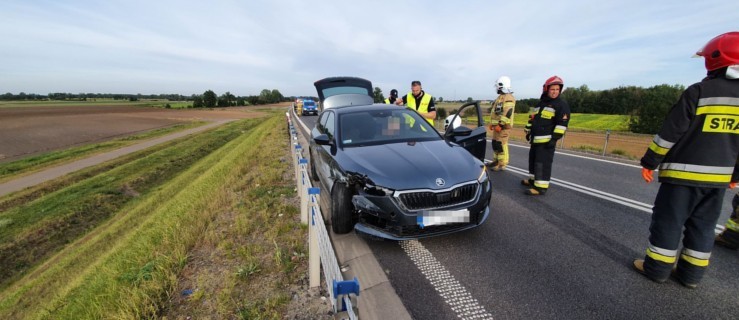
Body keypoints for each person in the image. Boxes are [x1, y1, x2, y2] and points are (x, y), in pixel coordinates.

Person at [632, 31, 739, 289]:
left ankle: (657, 268)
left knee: (669, 221)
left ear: (715, 59)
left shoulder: (699, 91)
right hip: (718, 181)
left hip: (682, 176)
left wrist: (650, 161)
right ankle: (691, 276)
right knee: (703, 227)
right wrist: (736, 176)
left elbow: (670, 133)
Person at [521, 76, 570, 195]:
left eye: (557, 89)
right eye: (552, 89)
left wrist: (554, 139)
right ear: (547, 89)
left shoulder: (561, 105)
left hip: (547, 142)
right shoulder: (541, 104)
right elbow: (532, 119)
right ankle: (533, 180)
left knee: (542, 163)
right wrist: (528, 130)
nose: (555, 92)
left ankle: (541, 187)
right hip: (535, 140)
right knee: (533, 161)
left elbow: (562, 124)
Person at [487, 76, 516, 171]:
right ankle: (496, 161)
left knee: (501, 144)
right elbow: (495, 112)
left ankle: (502, 164)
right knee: (495, 143)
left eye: (497, 86)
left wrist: (500, 124)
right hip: (497, 127)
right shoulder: (500, 97)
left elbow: (508, 112)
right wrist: (492, 123)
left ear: (501, 85)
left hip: (503, 127)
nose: (496, 88)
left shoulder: (508, 98)